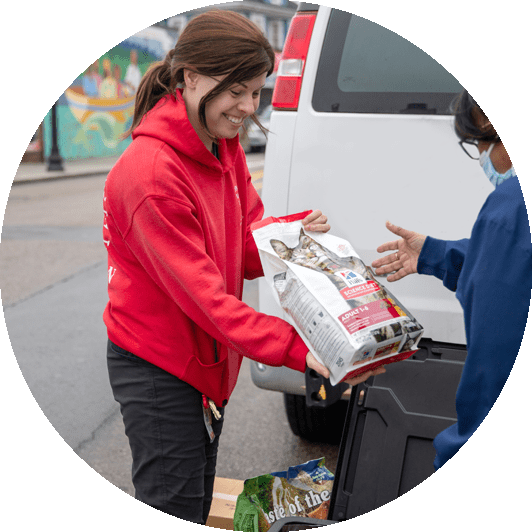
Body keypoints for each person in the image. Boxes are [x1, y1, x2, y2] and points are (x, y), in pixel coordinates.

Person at [103, 10, 382, 524]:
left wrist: (295, 237)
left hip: (205, 363)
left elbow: (245, 242)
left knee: (196, 500)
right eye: (237, 91)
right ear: (191, 77)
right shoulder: (149, 176)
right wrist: (300, 348)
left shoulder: (221, 141)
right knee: (175, 507)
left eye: (257, 91)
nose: (248, 107)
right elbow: (209, 301)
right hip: (160, 366)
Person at [371, 89, 531, 470]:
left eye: (479, 144)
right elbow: (510, 268)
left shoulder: (511, 206)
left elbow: (495, 368)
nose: (482, 159)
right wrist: (434, 255)